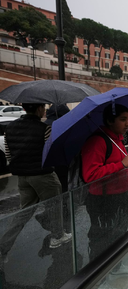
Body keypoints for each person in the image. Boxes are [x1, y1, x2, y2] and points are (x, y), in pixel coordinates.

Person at [0, 103, 71, 264]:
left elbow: (9, 154)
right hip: (43, 174)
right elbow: (50, 151)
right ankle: (57, 236)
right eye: (43, 107)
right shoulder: (43, 128)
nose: (45, 110)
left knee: (23, 212)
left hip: (22, 176)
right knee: (54, 205)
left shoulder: (10, 128)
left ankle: (3, 247)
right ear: (39, 109)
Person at [81, 104, 128, 275]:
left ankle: (115, 267)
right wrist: (121, 164)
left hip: (120, 196)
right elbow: (90, 175)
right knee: (102, 238)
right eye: (122, 119)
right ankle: (98, 275)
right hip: (104, 201)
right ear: (109, 120)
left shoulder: (118, 138)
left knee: (118, 235)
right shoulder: (98, 141)